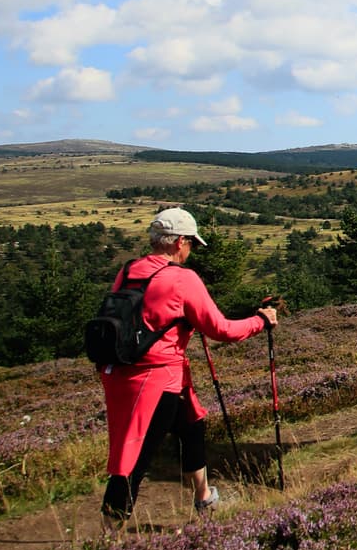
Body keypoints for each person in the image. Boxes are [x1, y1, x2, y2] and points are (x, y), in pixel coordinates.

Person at [98, 208, 277, 524]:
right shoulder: (182, 279)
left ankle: (204, 498)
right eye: (191, 244)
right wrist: (260, 321)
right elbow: (221, 329)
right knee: (134, 457)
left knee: (192, 426)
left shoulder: (128, 271)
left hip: (120, 372)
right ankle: (107, 540)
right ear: (179, 241)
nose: (190, 251)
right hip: (157, 380)